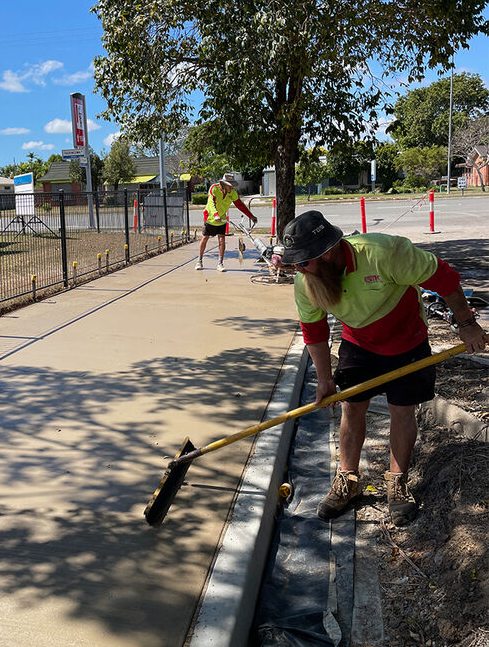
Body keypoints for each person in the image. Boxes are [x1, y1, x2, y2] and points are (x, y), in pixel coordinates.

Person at [279, 210, 487, 525]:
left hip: (407, 341)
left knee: (402, 411)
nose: (299, 269)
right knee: (352, 408)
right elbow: (315, 331)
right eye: (295, 263)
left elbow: (444, 277)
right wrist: (324, 380)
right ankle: (348, 480)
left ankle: (397, 482)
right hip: (359, 343)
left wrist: (468, 324)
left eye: (303, 262)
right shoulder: (305, 280)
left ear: (328, 252)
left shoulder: (382, 253)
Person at [196, 172, 257, 272]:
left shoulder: (232, 193)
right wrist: (215, 215)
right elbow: (211, 203)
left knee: (221, 240)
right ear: (224, 184)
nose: (232, 188)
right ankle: (200, 260)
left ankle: (220, 263)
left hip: (222, 219)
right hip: (210, 218)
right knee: (205, 238)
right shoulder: (214, 188)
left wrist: (251, 216)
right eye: (230, 186)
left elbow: (240, 205)